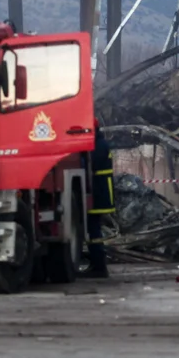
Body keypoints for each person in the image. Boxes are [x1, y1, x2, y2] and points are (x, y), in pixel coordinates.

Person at [81, 118, 114, 278]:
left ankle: (99, 266)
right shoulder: (100, 143)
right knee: (93, 229)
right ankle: (97, 264)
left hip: (98, 191)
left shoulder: (99, 145)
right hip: (97, 190)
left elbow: (90, 163)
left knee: (93, 229)